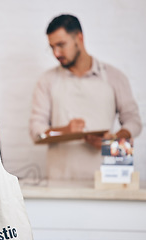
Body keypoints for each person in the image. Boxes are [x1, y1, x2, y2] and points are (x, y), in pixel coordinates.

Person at [29, 14, 142, 181]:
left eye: (61, 45)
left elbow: (133, 121)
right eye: (52, 47)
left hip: (108, 178)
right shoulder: (47, 81)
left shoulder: (114, 77)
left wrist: (115, 137)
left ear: (79, 38)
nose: (56, 53)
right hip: (60, 182)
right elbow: (36, 131)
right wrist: (65, 130)